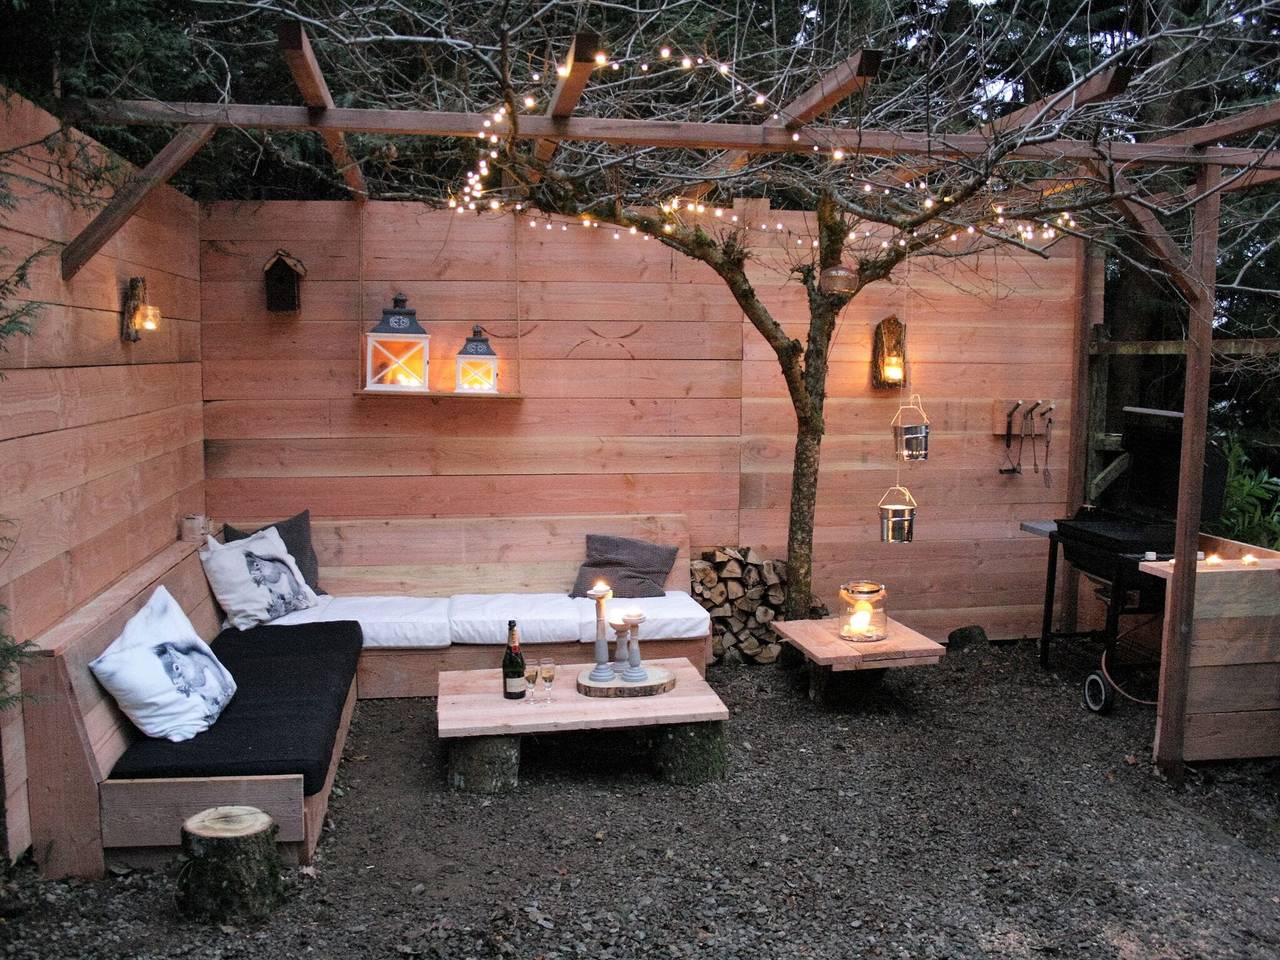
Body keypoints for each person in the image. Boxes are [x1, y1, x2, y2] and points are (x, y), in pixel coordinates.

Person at [154, 642, 235, 722]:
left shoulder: (196, 659)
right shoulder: (185, 678)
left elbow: (218, 678)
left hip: (222, 693)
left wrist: (225, 689)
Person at [244, 550, 310, 619]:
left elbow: (290, 582)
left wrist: (297, 595)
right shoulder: (263, 577)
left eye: (257, 565)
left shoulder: (275, 566)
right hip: (281, 595)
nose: (259, 569)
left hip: (291, 589)